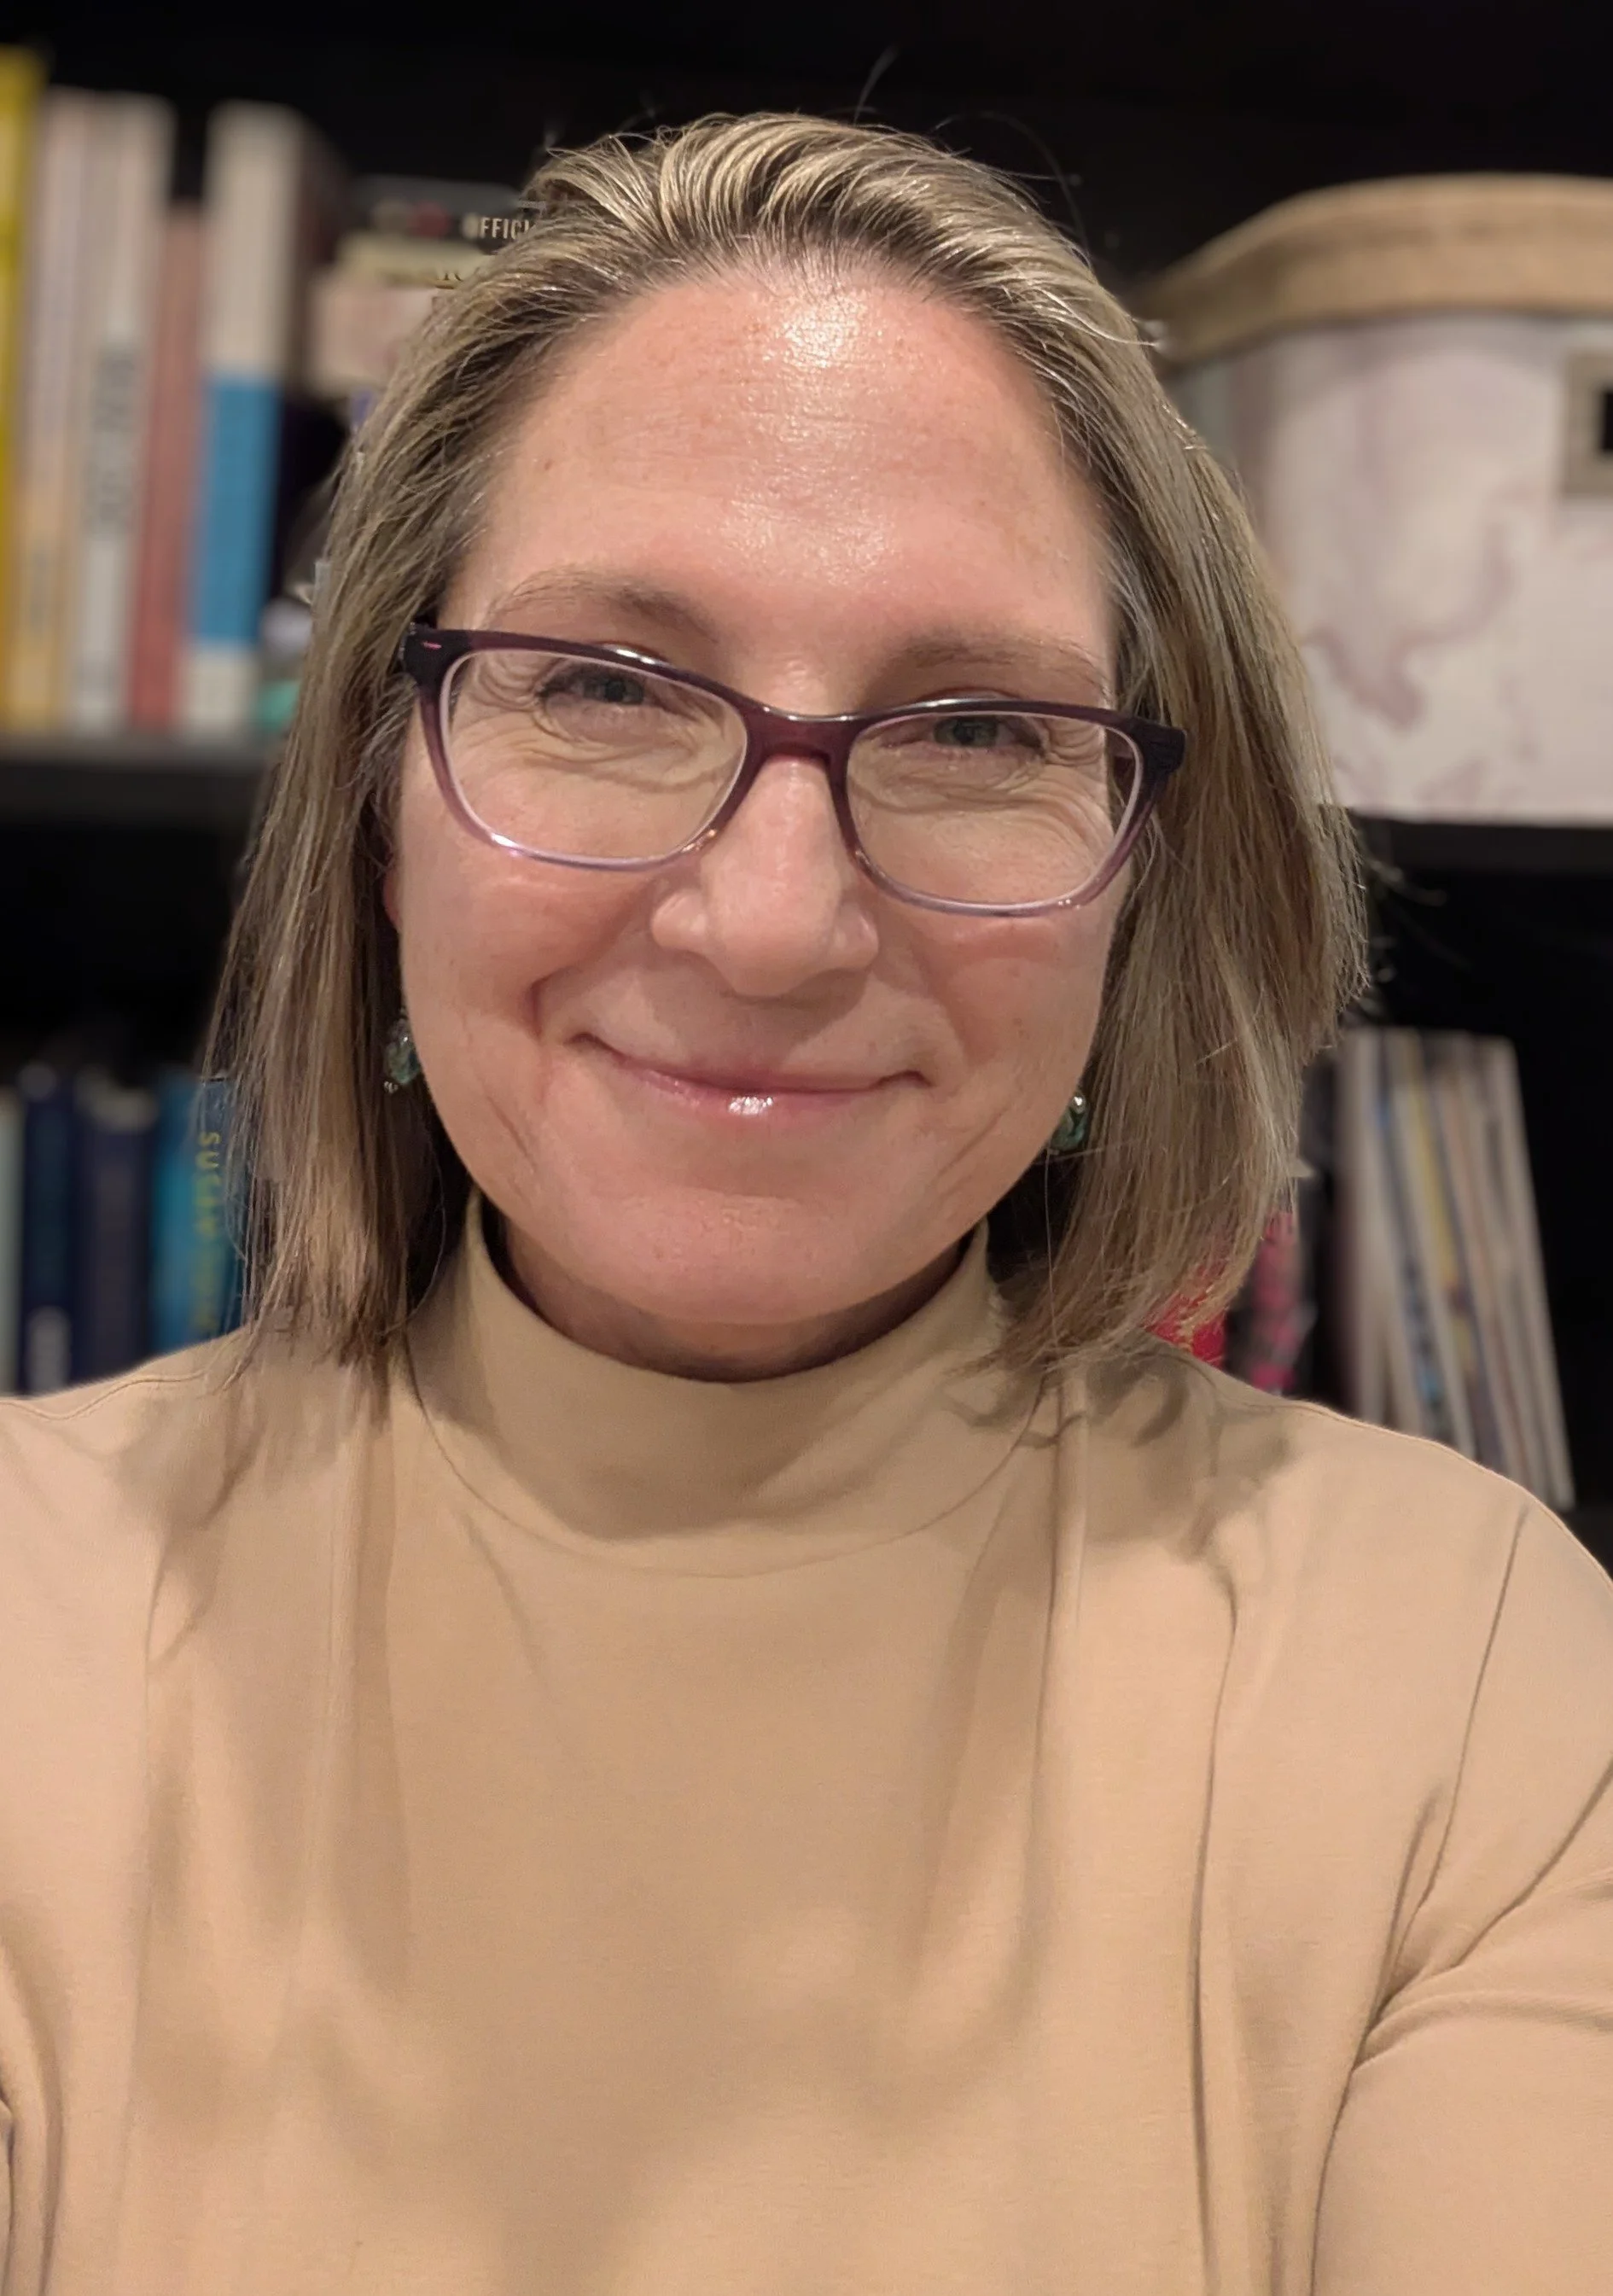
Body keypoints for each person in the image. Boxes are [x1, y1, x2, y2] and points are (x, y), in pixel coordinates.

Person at [2, 114, 1610, 2296]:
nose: (770, 925)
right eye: (597, 689)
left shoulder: (1467, 1677)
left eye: (976, 727)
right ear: (381, 820)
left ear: (1142, 882)